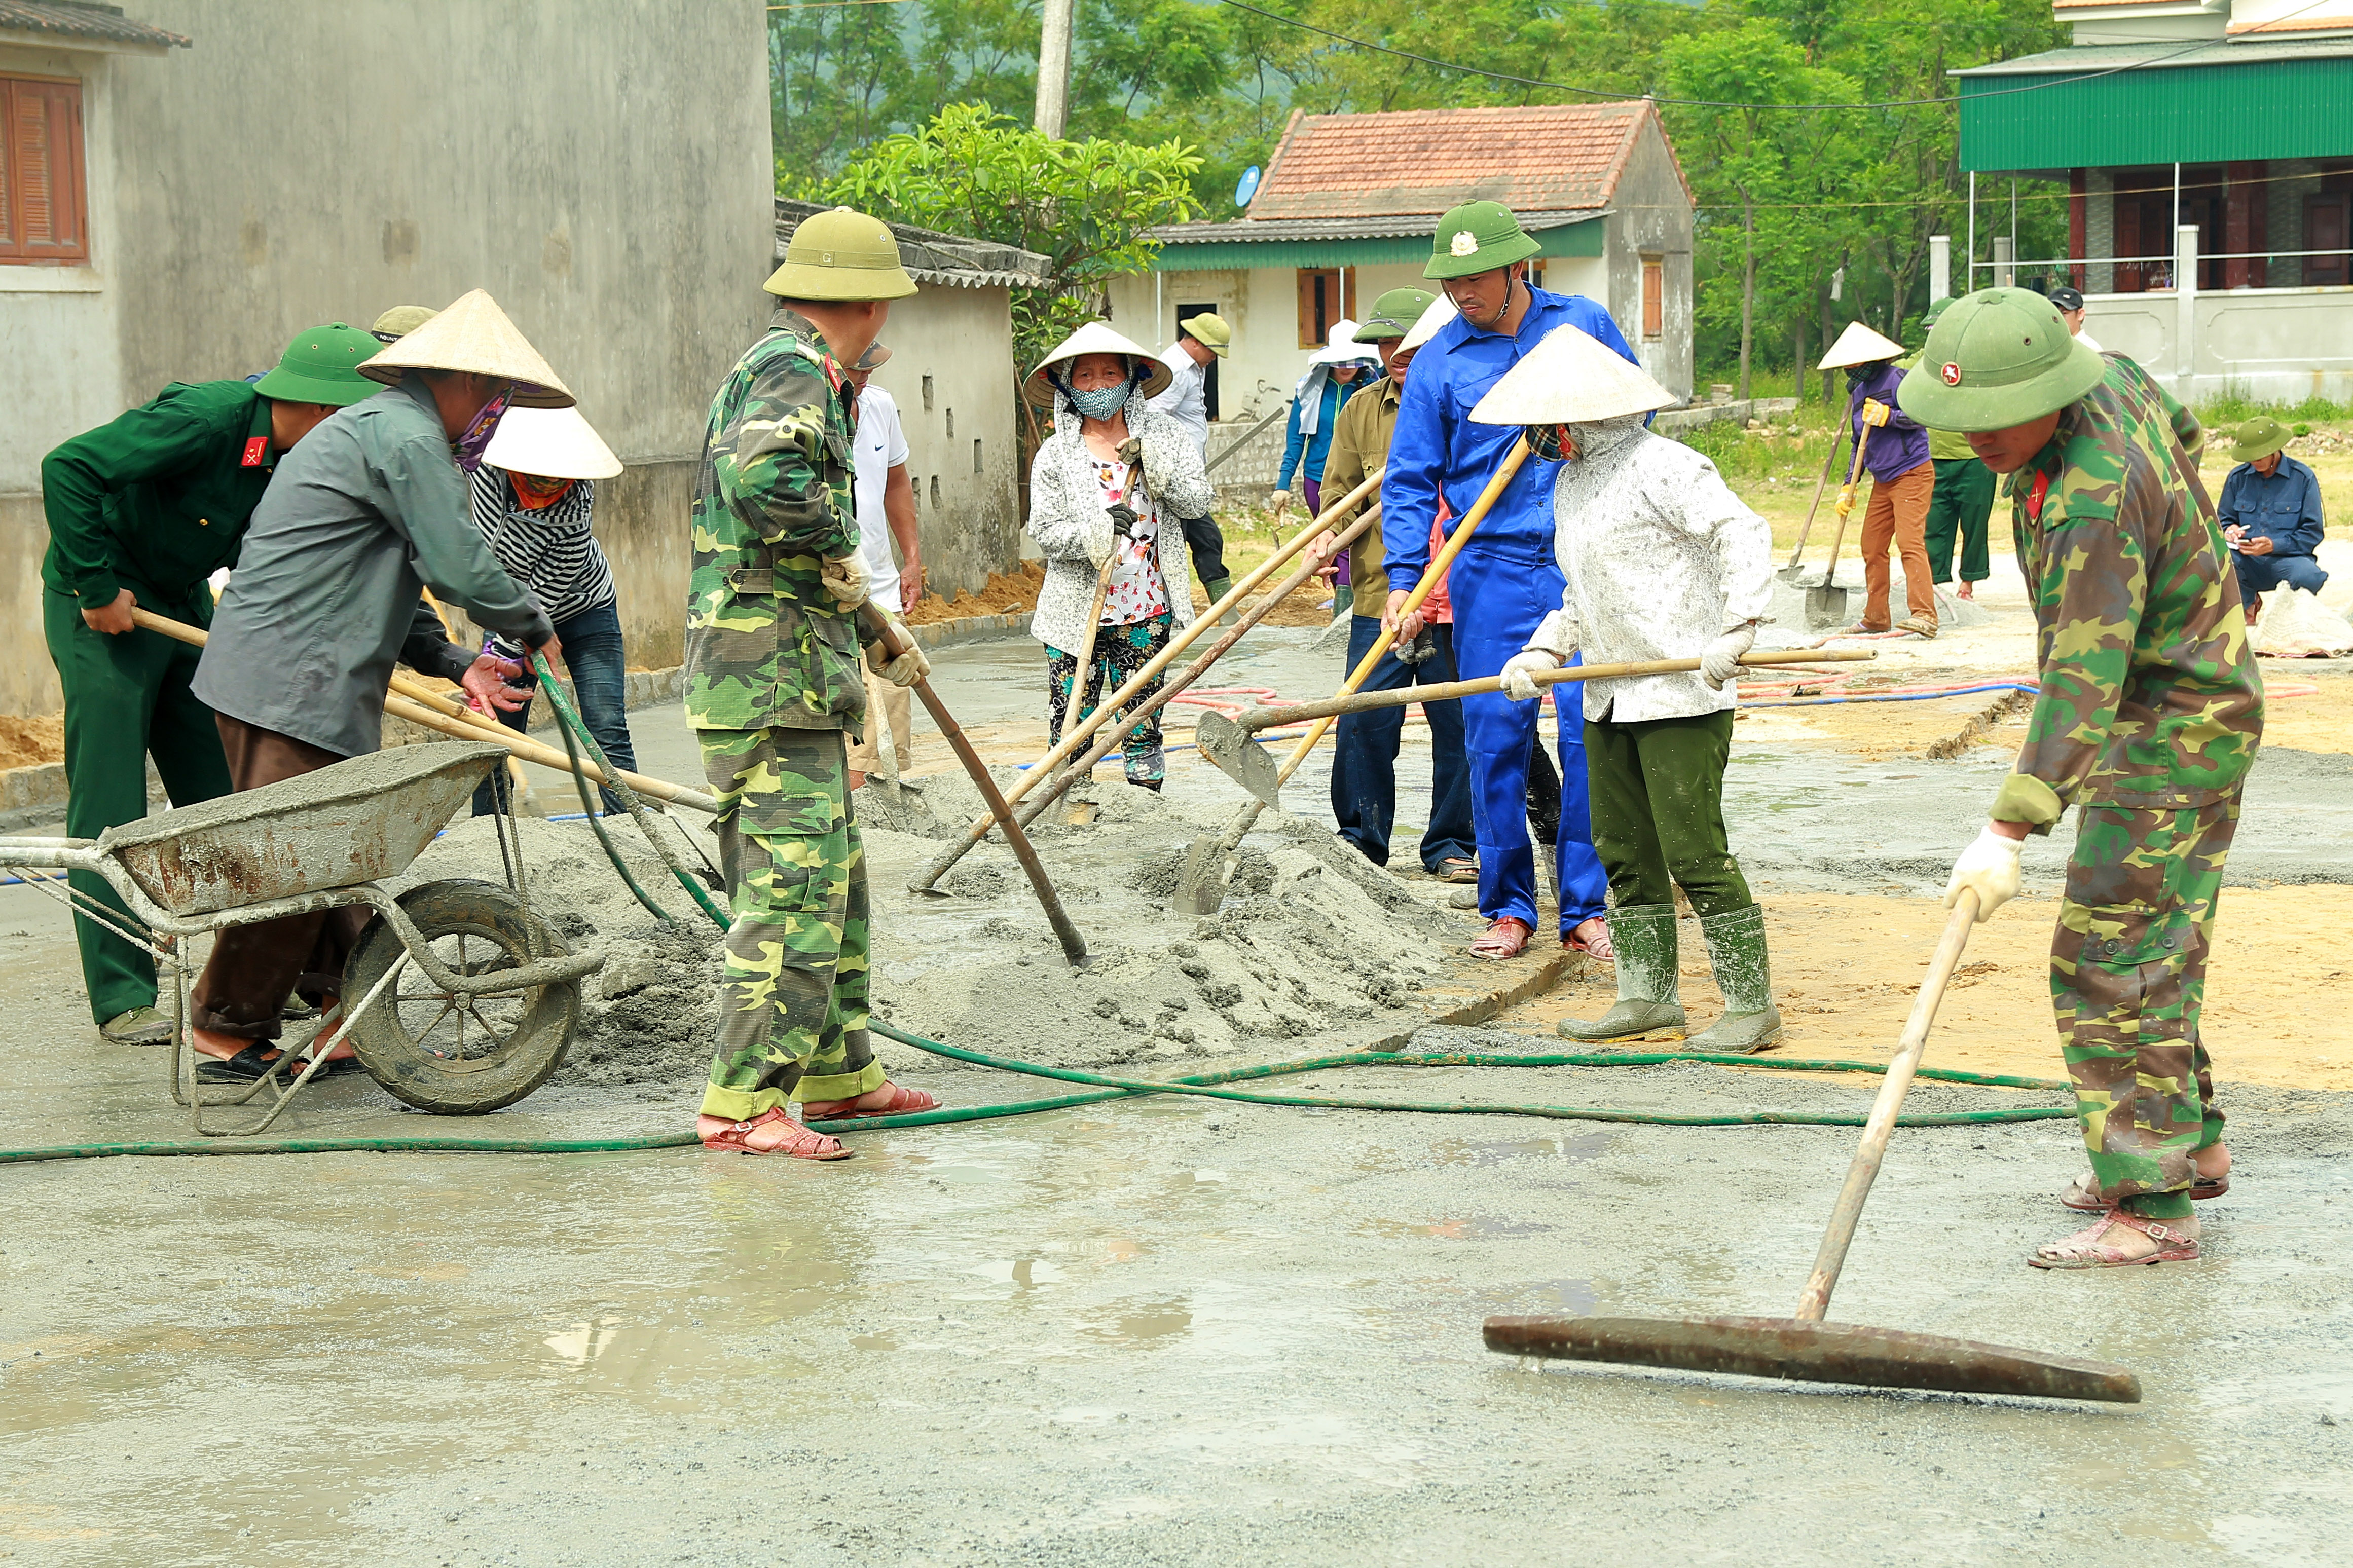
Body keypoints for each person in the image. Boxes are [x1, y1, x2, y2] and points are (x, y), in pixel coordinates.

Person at [1907, 286, 2259, 1269]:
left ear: (2047, 389)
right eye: (1958, 417)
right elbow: (2182, 429)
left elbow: (2080, 675)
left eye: (1992, 418)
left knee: (2109, 955)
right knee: (2154, 938)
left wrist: (2010, 824)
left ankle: (2149, 1200)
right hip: (2191, 699)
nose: (1973, 438)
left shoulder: (2088, 500)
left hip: (2168, 724)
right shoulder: (2113, 376)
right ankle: (2186, 1144)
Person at [185, 292, 569, 1082]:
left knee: (337, 857)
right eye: (496, 398)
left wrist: (460, 661)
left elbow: (395, 578)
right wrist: (532, 623)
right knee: (297, 863)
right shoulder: (403, 435)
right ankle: (226, 1025)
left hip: (314, 675)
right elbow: (458, 562)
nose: (495, 415)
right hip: (284, 675)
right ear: (460, 380)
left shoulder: (392, 437)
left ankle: (347, 1012)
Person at [39, 324, 384, 1046]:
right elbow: (69, 465)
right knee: (113, 805)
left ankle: (257, 985)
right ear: (325, 411)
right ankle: (125, 995)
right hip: (104, 610)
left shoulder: (292, 463)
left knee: (234, 801)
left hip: (183, 603)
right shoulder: (207, 420)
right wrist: (96, 583)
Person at [688, 207, 937, 1160]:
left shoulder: (807, 372)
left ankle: (836, 1073)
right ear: (867, 303)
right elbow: (764, 480)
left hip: (799, 670)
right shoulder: (789, 366)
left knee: (838, 878)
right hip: (764, 681)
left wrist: (873, 631)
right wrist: (840, 549)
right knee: (790, 889)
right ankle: (743, 1103)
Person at [1487, 325, 1783, 1051]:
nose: (1535, 438)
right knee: (1620, 847)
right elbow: (1584, 592)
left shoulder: (1668, 466)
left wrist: (1738, 626)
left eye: (1544, 424)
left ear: (1582, 415)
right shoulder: (1571, 481)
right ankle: (1646, 996)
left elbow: (1741, 532)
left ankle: (1752, 1008)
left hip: (1682, 688)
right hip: (1610, 692)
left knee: (1693, 850)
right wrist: (1544, 647)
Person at [1381, 200, 1631, 961]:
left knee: (1590, 733)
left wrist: (1579, 437)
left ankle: (1584, 905)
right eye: (1450, 280)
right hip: (1488, 566)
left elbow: (1636, 424)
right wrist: (1404, 579)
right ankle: (1508, 907)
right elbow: (1409, 477)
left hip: (1578, 560)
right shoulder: (1438, 362)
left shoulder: (1580, 325)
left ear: (1516, 265)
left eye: (1475, 276)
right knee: (1493, 738)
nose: (1461, 293)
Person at [1313, 286, 1476, 883]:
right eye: (1386, 342)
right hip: (1381, 594)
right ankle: (1362, 839)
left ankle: (1452, 843)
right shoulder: (1360, 408)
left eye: (1409, 341)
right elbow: (1336, 492)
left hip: (1457, 597)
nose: (1396, 352)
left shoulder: (1465, 400)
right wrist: (1326, 536)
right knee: (1362, 721)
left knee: (1457, 723)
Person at [1022, 322, 1212, 791]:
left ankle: (1144, 813)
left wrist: (1156, 468)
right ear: (1066, 385)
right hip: (1075, 613)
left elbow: (1198, 503)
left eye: (1110, 374)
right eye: (1085, 376)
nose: (1099, 385)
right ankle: (1073, 809)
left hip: (1147, 608)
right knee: (1072, 725)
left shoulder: (1165, 437)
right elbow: (1044, 533)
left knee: (1142, 723)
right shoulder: (1054, 456)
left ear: (1132, 379)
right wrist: (1098, 529)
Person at [466, 402, 637, 816]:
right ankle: (489, 830)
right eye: (537, 478)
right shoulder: (484, 469)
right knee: (494, 727)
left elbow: (551, 584)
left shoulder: (577, 499)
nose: (547, 488)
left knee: (605, 725)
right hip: (507, 610)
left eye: (557, 480)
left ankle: (633, 825)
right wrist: (504, 651)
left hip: (584, 610)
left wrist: (517, 643)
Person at [1819, 321, 1937, 639]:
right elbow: (1859, 443)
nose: (1849, 368)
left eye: (1853, 362)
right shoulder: (1859, 391)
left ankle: (1925, 614)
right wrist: (1849, 485)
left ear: (1869, 360)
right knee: (1871, 546)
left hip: (1912, 471)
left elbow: (1925, 414)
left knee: (1910, 543)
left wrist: (1890, 417)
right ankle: (1876, 617)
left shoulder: (1898, 379)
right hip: (1884, 480)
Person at [843, 339, 923, 786]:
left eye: (870, 365)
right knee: (841, 708)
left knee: (889, 701)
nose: (866, 372)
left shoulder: (880, 405)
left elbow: (896, 482)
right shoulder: (807, 412)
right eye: (858, 366)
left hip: (879, 587)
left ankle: (875, 804)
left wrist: (911, 559)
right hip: (827, 589)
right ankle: (849, 813)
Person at [1146, 312, 1236, 611]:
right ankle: (1173, 610)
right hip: (1173, 477)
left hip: (1188, 475)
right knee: (1178, 543)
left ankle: (1224, 612)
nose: (1214, 358)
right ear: (1196, 342)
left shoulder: (1194, 367)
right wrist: (1165, 472)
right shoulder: (1175, 369)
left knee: (1207, 538)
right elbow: (1156, 419)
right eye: (1212, 351)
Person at [1916, 298, 1995, 602]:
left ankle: (1968, 583)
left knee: (1975, 524)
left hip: (1975, 457)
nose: (1935, 333)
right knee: (1934, 522)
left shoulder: (1979, 361)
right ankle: (1934, 583)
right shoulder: (1920, 363)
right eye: (1931, 328)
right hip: (1933, 456)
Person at [2217, 415, 2326, 624]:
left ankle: (2288, 612)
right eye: (2250, 458)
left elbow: (2312, 533)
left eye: (2259, 458)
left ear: (2274, 450)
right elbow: (2223, 521)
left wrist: (2273, 546)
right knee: (2217, 561)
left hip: (2288, 560)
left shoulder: (2303, 478)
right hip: (2245, 561)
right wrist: (2230, 530)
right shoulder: (2237, 478)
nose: (2254, 462)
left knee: (2310, 576)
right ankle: (2247, 602)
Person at [1271, 322, 1376, 524]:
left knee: (1348, 545)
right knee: (1325, 543)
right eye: (1341, 362)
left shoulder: (1372, 389)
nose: (1348, 368)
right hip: (1316, 479)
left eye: (1354, 361)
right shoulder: (1309, 390)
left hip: (1357, 481)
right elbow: (1295, 440)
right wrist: (1283, 485)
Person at [2048, 285, 2103, 354]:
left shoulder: (2089, 349)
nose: (2058, 318)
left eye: (2064, 313)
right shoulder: (2050, 348)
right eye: (2054, 313)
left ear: (2080, 314)